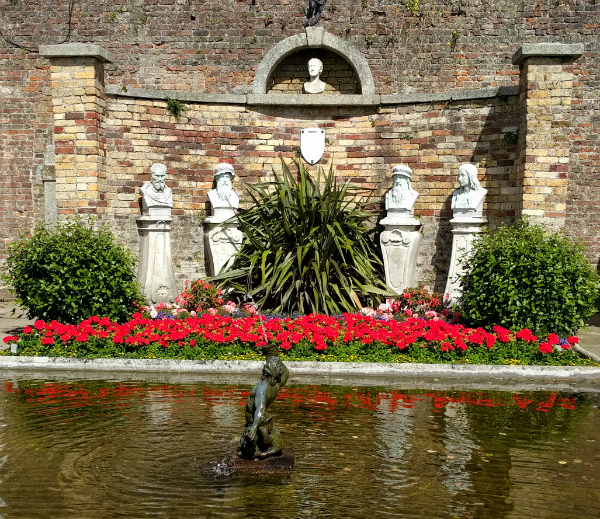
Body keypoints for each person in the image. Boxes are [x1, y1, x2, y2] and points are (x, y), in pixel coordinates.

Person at [238, 355, 290, 460]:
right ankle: (269, 446)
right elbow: (286, 373)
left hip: (256, 420)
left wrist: (253, 428)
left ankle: (259, 450)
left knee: (250, 447)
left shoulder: (262, 388)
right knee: (268, 435)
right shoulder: (276, 385)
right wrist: (274, 355)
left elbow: (259, 409)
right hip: (264, 419)